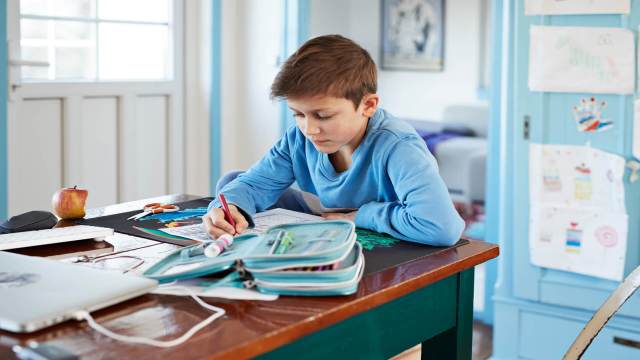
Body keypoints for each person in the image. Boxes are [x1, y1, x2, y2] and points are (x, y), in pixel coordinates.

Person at [203, 34, 464, 246]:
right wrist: (225, 209)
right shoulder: (299, 137)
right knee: (231, 185)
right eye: (298, 114)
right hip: (327, 220)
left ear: (368, 105)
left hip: (382, 231)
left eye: (323, 115)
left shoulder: (398, 146)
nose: (309, 129)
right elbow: (254, 183)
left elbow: (441, 226)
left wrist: (361, 216)